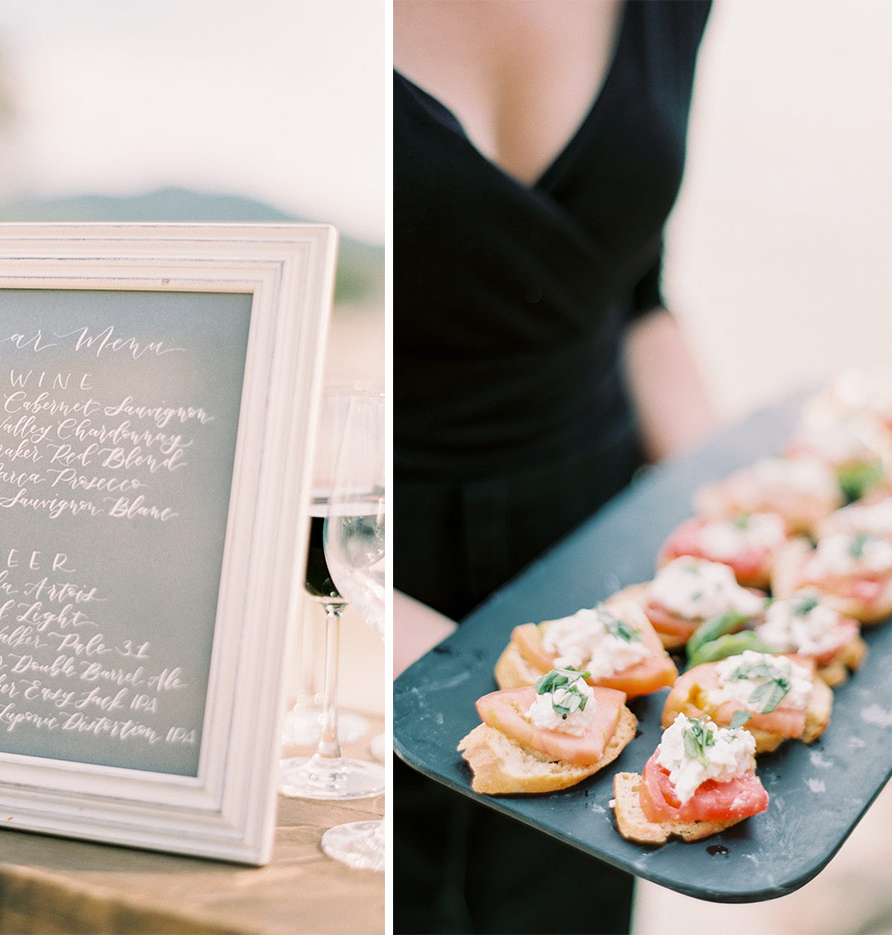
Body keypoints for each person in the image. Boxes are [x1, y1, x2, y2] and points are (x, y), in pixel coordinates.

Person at [392, 1, 716, 931]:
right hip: (353, 591)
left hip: (606, 570)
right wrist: (450, 678)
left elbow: (637, 296)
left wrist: (740, 535)